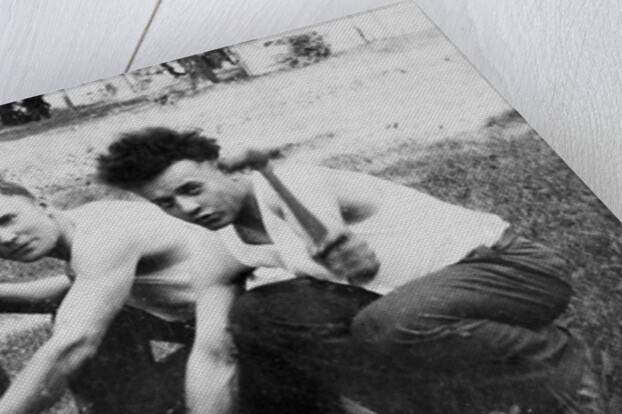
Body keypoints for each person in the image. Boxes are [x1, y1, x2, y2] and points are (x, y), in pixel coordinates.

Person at [96, 127, 597, 414]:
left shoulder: (291, 182)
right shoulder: (219, 245)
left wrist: (336, 244)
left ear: (218, 166)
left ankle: (563, 360)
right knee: (259, 317)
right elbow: (211, 350)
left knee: (383, 323)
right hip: (427, 306)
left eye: (191, 188)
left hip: (511, 268)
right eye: (167, 204)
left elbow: (328, 228)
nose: (187, 208)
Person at [0, 177, 241, 414]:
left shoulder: (101, 234)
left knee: (79, 327)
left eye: (8, 219)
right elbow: (74, 286)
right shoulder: (80, 225)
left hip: (255, 331)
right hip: (209, 321)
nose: (6, 238)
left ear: (41, 205)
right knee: (78, 307)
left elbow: (72, 345)